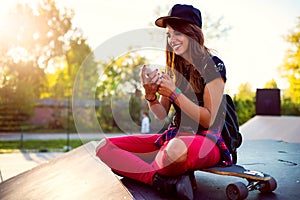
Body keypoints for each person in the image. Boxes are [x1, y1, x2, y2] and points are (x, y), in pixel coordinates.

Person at [96, 4, 231, 200]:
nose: (172, 40)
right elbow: (160, 114)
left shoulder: (213, 65)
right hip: (173, 138)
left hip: (206, 140)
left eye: (177, 33)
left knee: (174, 150)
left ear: (193, 33)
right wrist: (150, 95)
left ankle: (153, 167)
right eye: (169, 35)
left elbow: (209, 120)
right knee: (103, 147)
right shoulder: (172, 69)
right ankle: (160, 180)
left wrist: (175, 93)